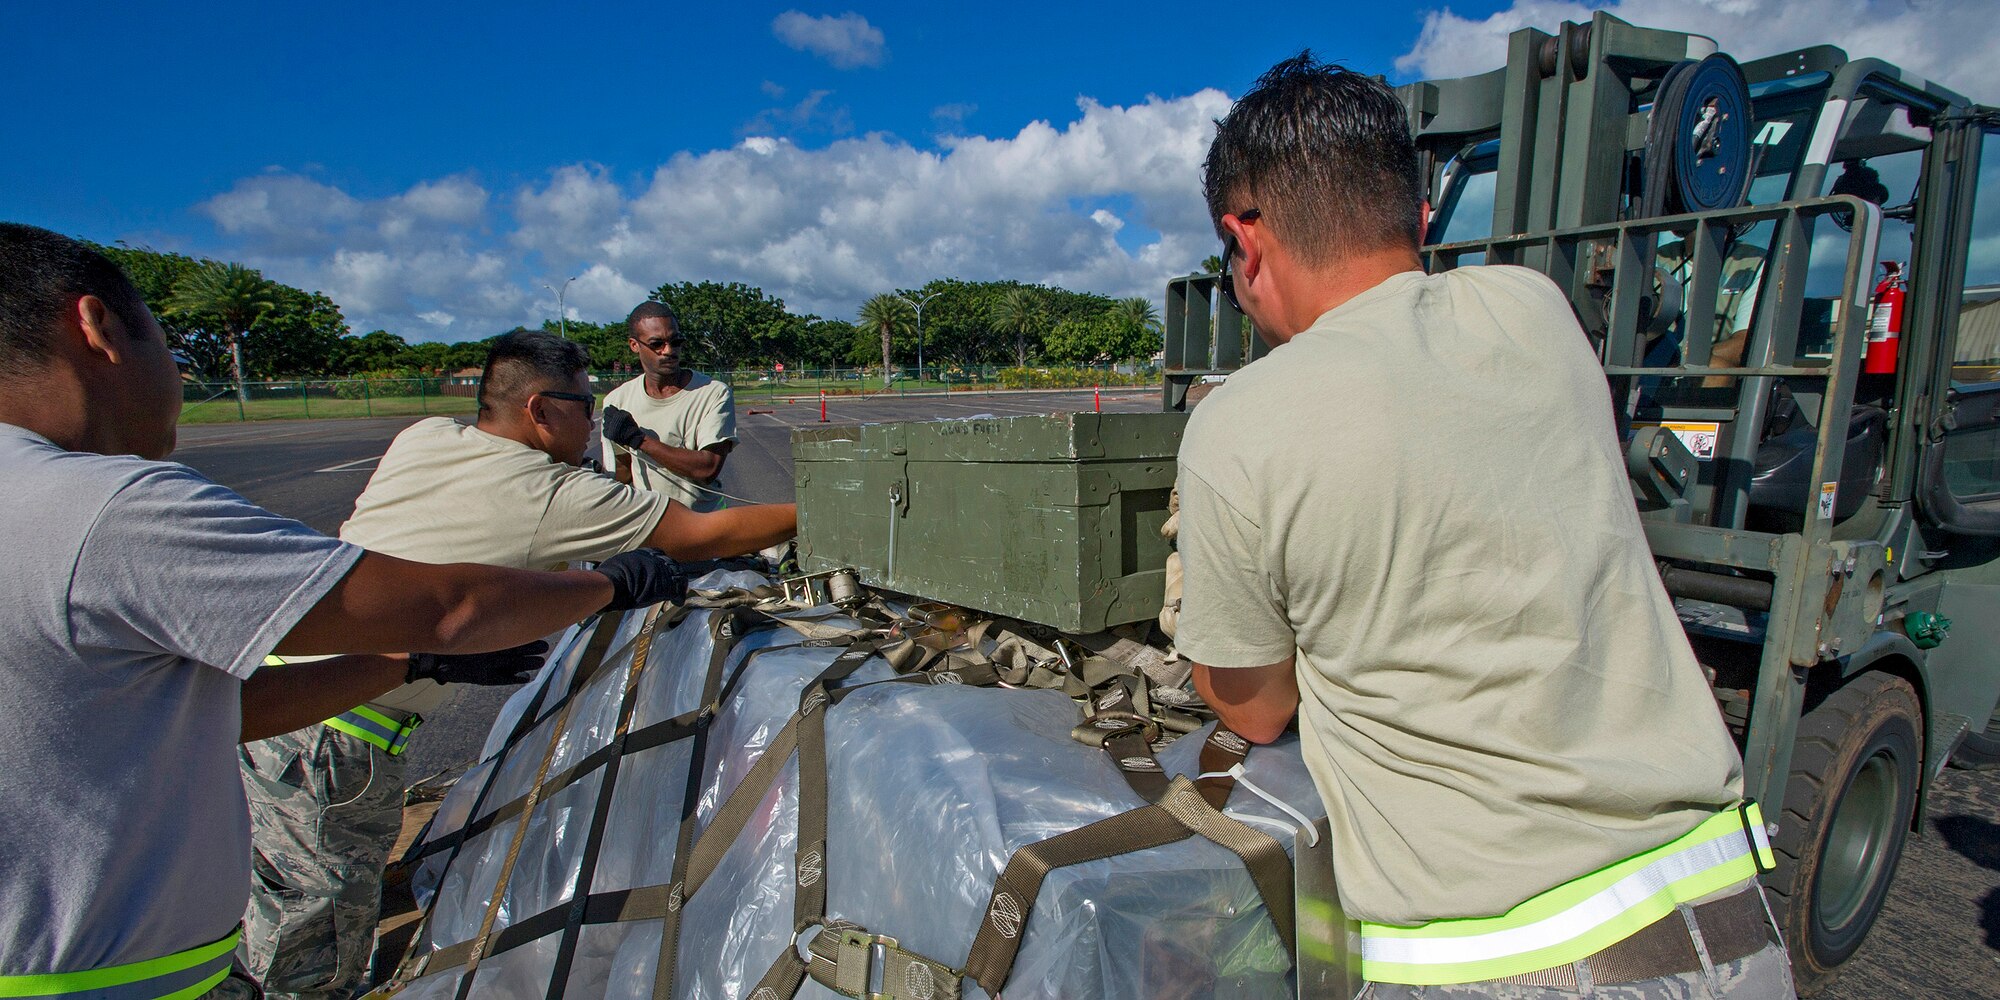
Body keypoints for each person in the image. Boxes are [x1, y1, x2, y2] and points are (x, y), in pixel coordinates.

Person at [1174, 58, 1794, 998]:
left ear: (1244, 241)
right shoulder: (1536, 312)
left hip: (1503, 965)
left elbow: (1258, 707)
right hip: (1727, 928)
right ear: (1418, 216)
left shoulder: (1238, 425)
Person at [0, 223, 685, 1000]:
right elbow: (446, 605)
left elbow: (211, 710)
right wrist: (611, 584)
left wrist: (410, 664)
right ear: (96, 328)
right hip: (97, 981)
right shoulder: (102, 508)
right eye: (168, 344)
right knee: (311, 948)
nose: (181, 380)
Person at [240, 330, 796, 999]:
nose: (593, 421)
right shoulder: (550, 494)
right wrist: (820, 509)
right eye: (583, 407)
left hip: (277, 695)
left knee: (264, 902)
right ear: (539, 410)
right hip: (341, 737)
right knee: (312, 951)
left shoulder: (424, 437)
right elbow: (703, 533)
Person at [600, 301, 737, 511]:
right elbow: (623, 473)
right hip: (650, 523)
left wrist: (641, 440)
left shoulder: (712, 392)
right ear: (634, 345)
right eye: (657, 344)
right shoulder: (617, 401)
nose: (669, 351)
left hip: (706, 523)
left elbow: (707, 468)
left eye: (676, 341)